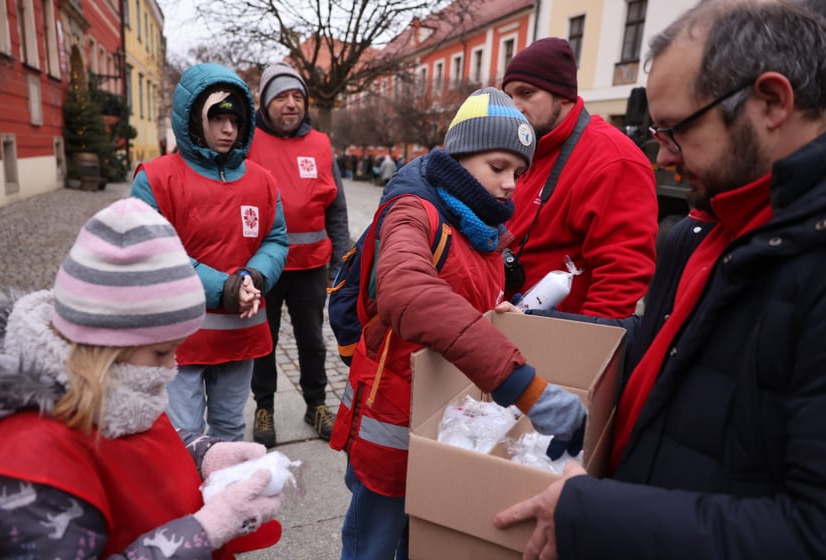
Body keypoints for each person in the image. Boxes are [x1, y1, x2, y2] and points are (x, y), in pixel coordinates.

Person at [494, 2, 826, 559]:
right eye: (657, 130)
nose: (663, 155)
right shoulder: (712, 228)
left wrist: (592, 510)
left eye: (677, 129)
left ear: (771, 102)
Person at [330, 87, 588, 560]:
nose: (511, 184)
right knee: (372, 543)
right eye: (498, 167)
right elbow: (408, 291)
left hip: (439, 419)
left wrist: (497, 309)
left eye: (519, 172)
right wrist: (524, 387)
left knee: (420, 539)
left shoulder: (481, 229)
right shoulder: (415, 211)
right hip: (390, 421)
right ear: (458, 155)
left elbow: (461, 296)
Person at [0, 198, 284, 557]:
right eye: (162, 352)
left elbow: (136, 439)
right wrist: (201, 532)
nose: (171, 366)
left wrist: (204, 453)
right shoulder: (27, 466)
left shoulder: (111, 382)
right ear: (106, 346)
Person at [131, 62, 288, 442]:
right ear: (194, 117)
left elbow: (276, 239)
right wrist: (226, 287)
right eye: (218, 118)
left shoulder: (262, 181)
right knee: (184, 436)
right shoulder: (154, 178)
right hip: (178, 339)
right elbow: (153, 253)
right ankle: (188, 504)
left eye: (235, 120)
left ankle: (227, 501)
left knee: (230, 431)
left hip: (240, 334)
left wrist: (254, 277)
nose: (228, 129)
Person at [501, 37, 658, 318]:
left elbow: (621, 279)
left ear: (563, 94)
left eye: (526, 93)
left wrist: (581, 354)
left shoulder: (612, 159)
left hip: (554, 344)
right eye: (509, 96)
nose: (515, 107)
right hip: (513, 329)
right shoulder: (532, 148)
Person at [247, 61, 350, 447]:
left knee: (312, 340)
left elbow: (336, 208)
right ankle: (264, 406)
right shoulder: (248, 142)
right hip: (263, 268)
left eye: (297, 97)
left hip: (311, 267)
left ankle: (316, 403)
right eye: (281, 97)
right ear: (265, 102)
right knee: (264, 341)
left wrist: (341, 258)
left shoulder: (320, 145)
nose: (291, 104)